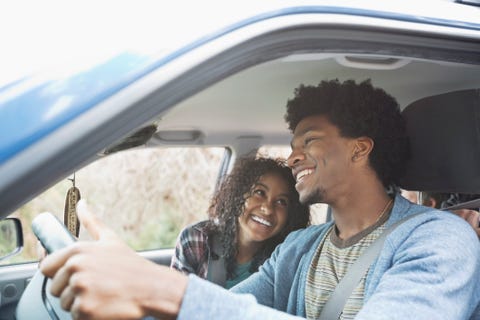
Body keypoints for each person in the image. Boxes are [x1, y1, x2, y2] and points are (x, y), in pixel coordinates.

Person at [40, 79, 480, 320]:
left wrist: (163, 289)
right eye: (293, 144)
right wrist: (139, 299)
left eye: (308, 140)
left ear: (359, 148)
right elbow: (234, 306)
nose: (292, 157)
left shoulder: (442, 241)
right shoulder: (299, 248)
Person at [170, 157, 310, 288]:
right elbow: (173, 305)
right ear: (237, 195)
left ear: (291, 215)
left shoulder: (287, 262)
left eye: (281, 202)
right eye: (259, 193)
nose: (267, 209)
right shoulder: (196, 239)